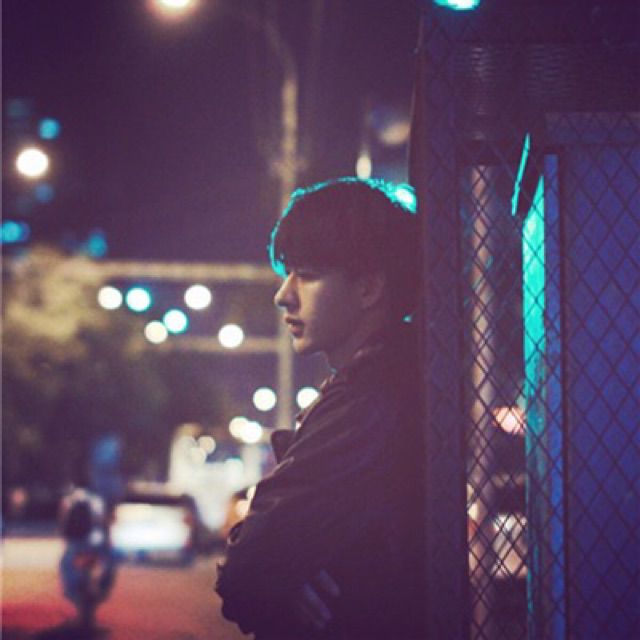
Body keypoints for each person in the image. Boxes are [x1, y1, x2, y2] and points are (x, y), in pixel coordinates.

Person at [216, 177, 425, 639]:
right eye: (288, 273)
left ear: (369, 287)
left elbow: (244, 573)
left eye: (307, 275)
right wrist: (284, 576)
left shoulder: (367, 401)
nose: (283, 294)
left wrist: (275, 576)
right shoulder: (387, 381)